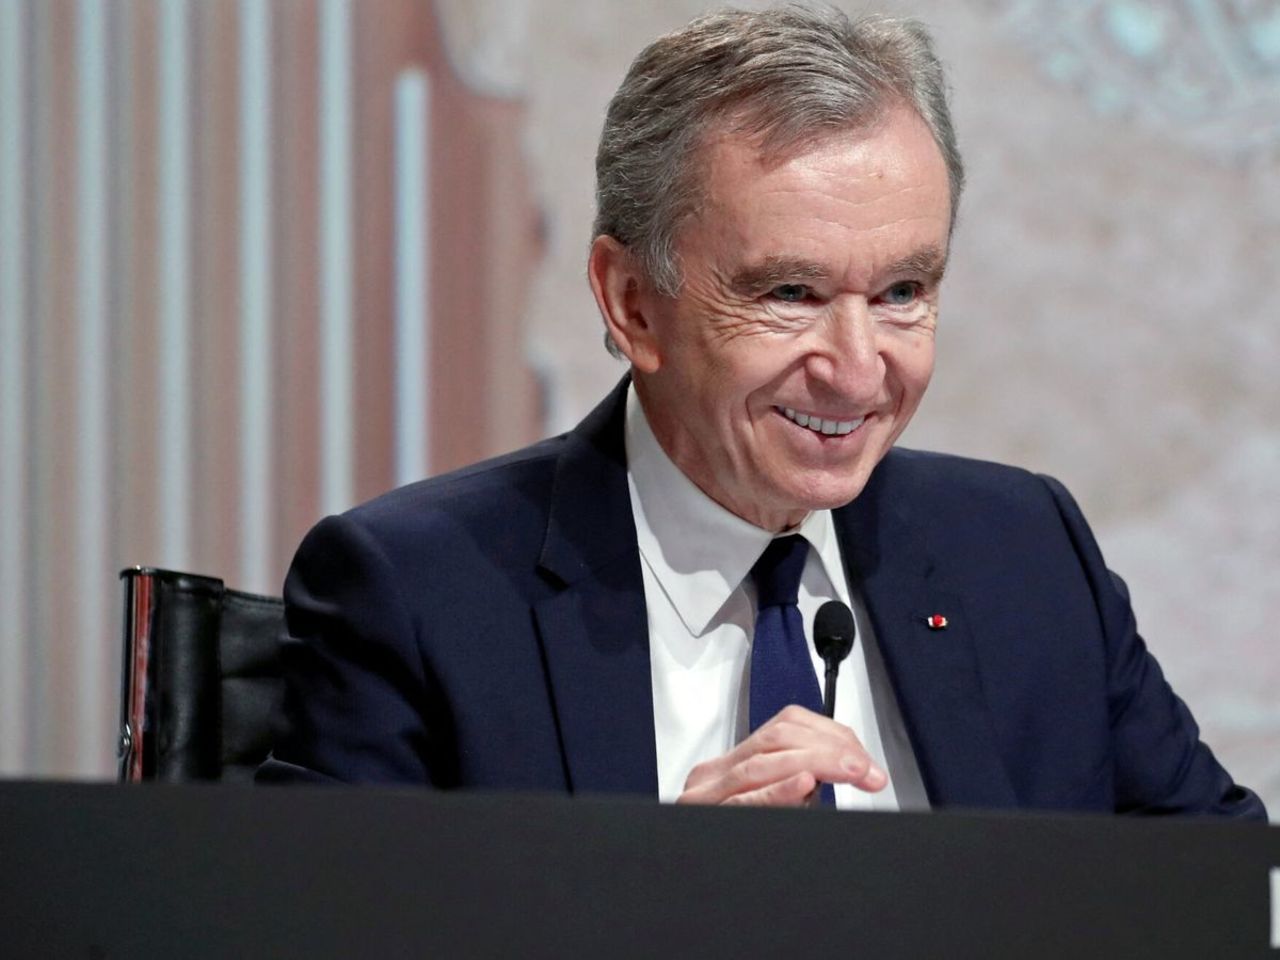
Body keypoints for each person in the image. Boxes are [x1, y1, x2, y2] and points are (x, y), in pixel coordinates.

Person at [259, 5, 1265, 818]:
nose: (857, 371)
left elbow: (1219, 898)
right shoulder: (418, 594)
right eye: (790, 294)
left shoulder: (1024, 555)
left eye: (902, 292)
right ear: (632, 303)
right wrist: (655, 901)